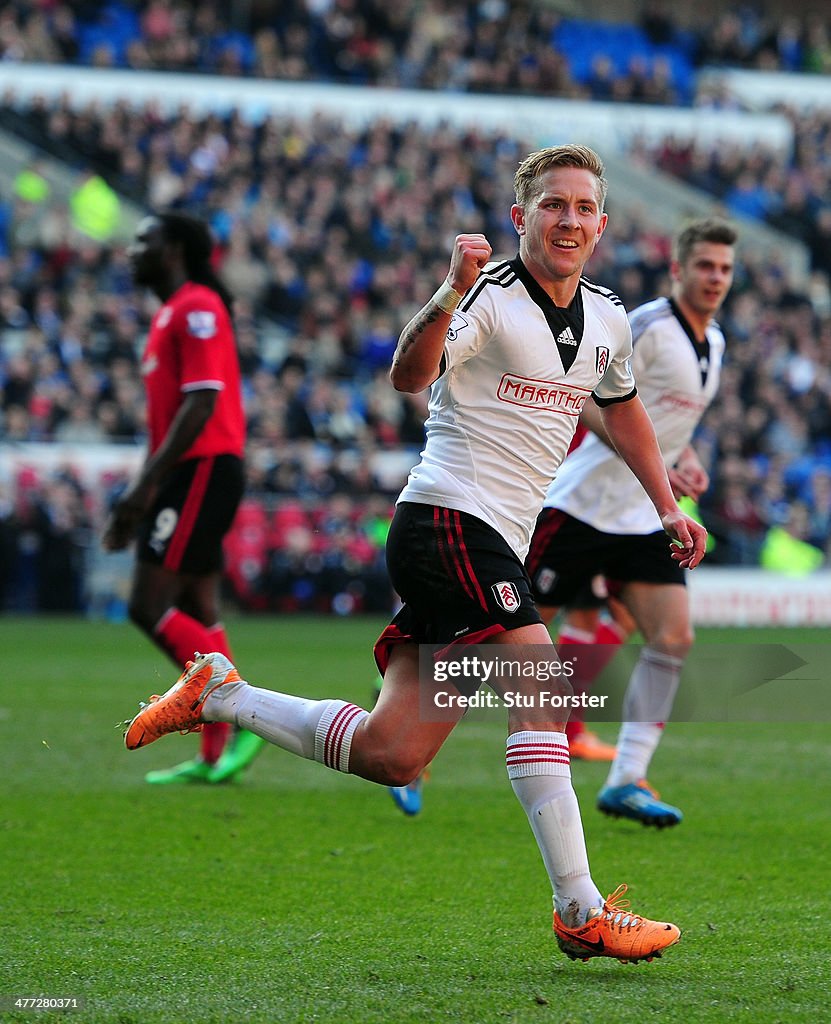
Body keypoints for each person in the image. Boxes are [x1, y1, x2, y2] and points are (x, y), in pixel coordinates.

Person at [122, 146, 706, 963]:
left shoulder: (607, 315)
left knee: (392, 753)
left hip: (486, 540)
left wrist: (664, 504)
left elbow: (623, 410)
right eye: (552, 205)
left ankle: (222, 693)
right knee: (539, 683)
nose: (568, 219)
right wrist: (445, 294)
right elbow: (409, 372)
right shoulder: (490, 297)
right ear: (520, 217)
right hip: (445, 522)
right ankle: (578, 908)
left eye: (582, 207)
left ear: (602, 223)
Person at [528, 217, 737, 827]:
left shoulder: (715, 344)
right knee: (505, 638)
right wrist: (651, 460)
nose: (715, 278)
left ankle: (627, 779)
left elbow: (673, 427)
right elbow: (583, 394)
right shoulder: (644, 324)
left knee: (673, 638)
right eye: (704, 265)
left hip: (645, 515)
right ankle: (410, 711)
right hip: (582, 505)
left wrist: (684, 460)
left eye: (724, 269)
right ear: (678, 269)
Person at [103, 211, 264, 785]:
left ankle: (244, 716)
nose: (131, 250)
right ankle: (216, 755)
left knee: (147, 605)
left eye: (143, 240)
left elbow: (200, 404)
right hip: (190, 472)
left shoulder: (196, 306)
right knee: (199, 608)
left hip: (203, 467)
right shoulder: (170, 313)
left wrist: (143, 489)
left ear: (172, 250)